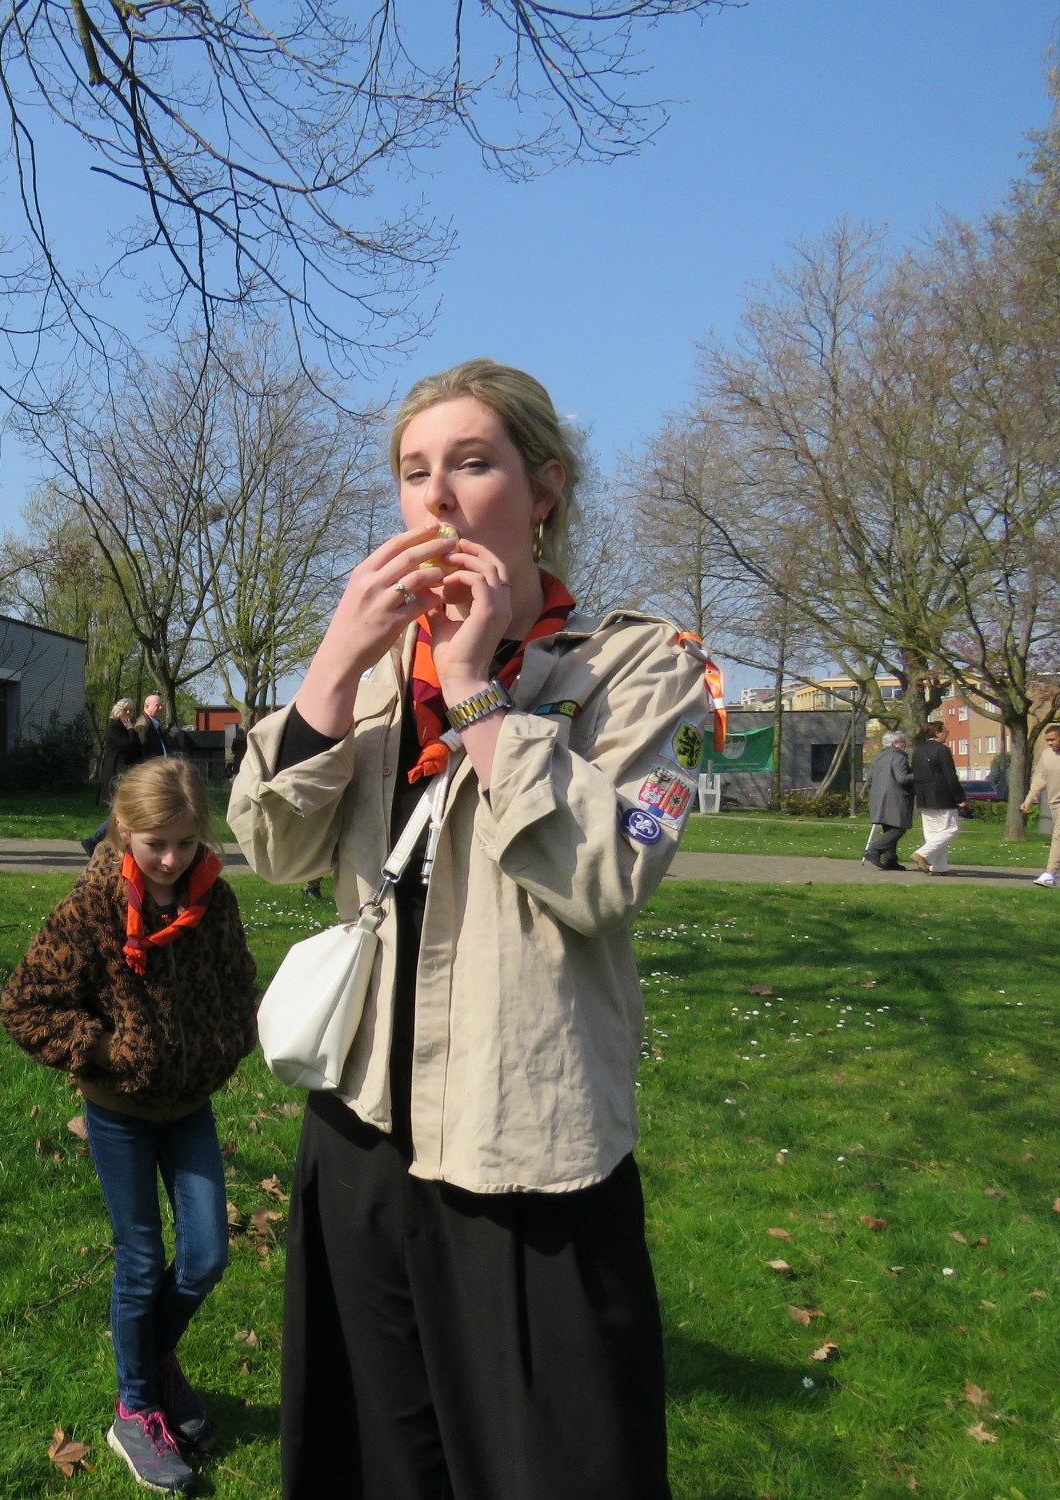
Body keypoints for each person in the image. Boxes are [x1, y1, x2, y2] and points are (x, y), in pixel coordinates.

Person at [228, 358, 713, 1500]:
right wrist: (333, 667)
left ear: (541, 487)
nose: (434, 497)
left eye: (470, 463)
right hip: (358, 1145)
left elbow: (606, 873)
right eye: (412, 472)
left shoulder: (643, 671)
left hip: (525, 1166)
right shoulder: (375, 677)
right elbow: (273, 848)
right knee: (376, 1467)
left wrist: (476, 689)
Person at [0, 757, 258, 1495]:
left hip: (189, 1107)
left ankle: (152, 1359)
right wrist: (109, 1048)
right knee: (142, 1260)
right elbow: (25, 1006)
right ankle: (136, 1408)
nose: (171, 859)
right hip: (119, 1110)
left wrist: (226, 1041)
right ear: (124, 832)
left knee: (207, 1254)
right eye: (155, 844)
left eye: (183, 842)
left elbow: (239, 984)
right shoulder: (91, 909)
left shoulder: (218, 901)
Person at [1021, 722, 1060, 888]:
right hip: (1055, 803)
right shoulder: (1046, 755)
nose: (1050, 743)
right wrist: (1029, 799)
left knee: (1059, 836)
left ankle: (1050, 874)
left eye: (1053, 739)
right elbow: (1039, 779)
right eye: (1047, 740)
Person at [82, 699, 142, 855]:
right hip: (115, 775)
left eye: (131, 710)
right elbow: (128, 746)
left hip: (123, 773)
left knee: (121, 812)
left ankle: (99, 841)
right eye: (126, 710)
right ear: (118, 711)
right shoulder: (115, 728)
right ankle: (94, 840)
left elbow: (136, 749)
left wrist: (131, 731)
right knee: (121, 813)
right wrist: (131, 729)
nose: (129, 713)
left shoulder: (125, 728)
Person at [909, 720, 967, 875]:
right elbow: (950, 776)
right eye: (945, 730)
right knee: (952, 829)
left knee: (933, 834)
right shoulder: (942, 750)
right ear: (937, 732)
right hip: (942, 796)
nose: (947, 733)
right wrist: (960, 797)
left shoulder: (918, 751)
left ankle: (939, 867)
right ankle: (922, 854)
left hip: (923, 796)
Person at [863, 730, 914, 871]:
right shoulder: (899, 758)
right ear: (896, 744)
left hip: (878, 796)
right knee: (898, 828)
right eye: (903, 742)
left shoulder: (878, 758)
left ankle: (891, 859)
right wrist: (918, 775)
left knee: (889, 827)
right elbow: (902, 778)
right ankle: (874, 850)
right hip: (895, 797)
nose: (905, 745)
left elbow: (871, 778)